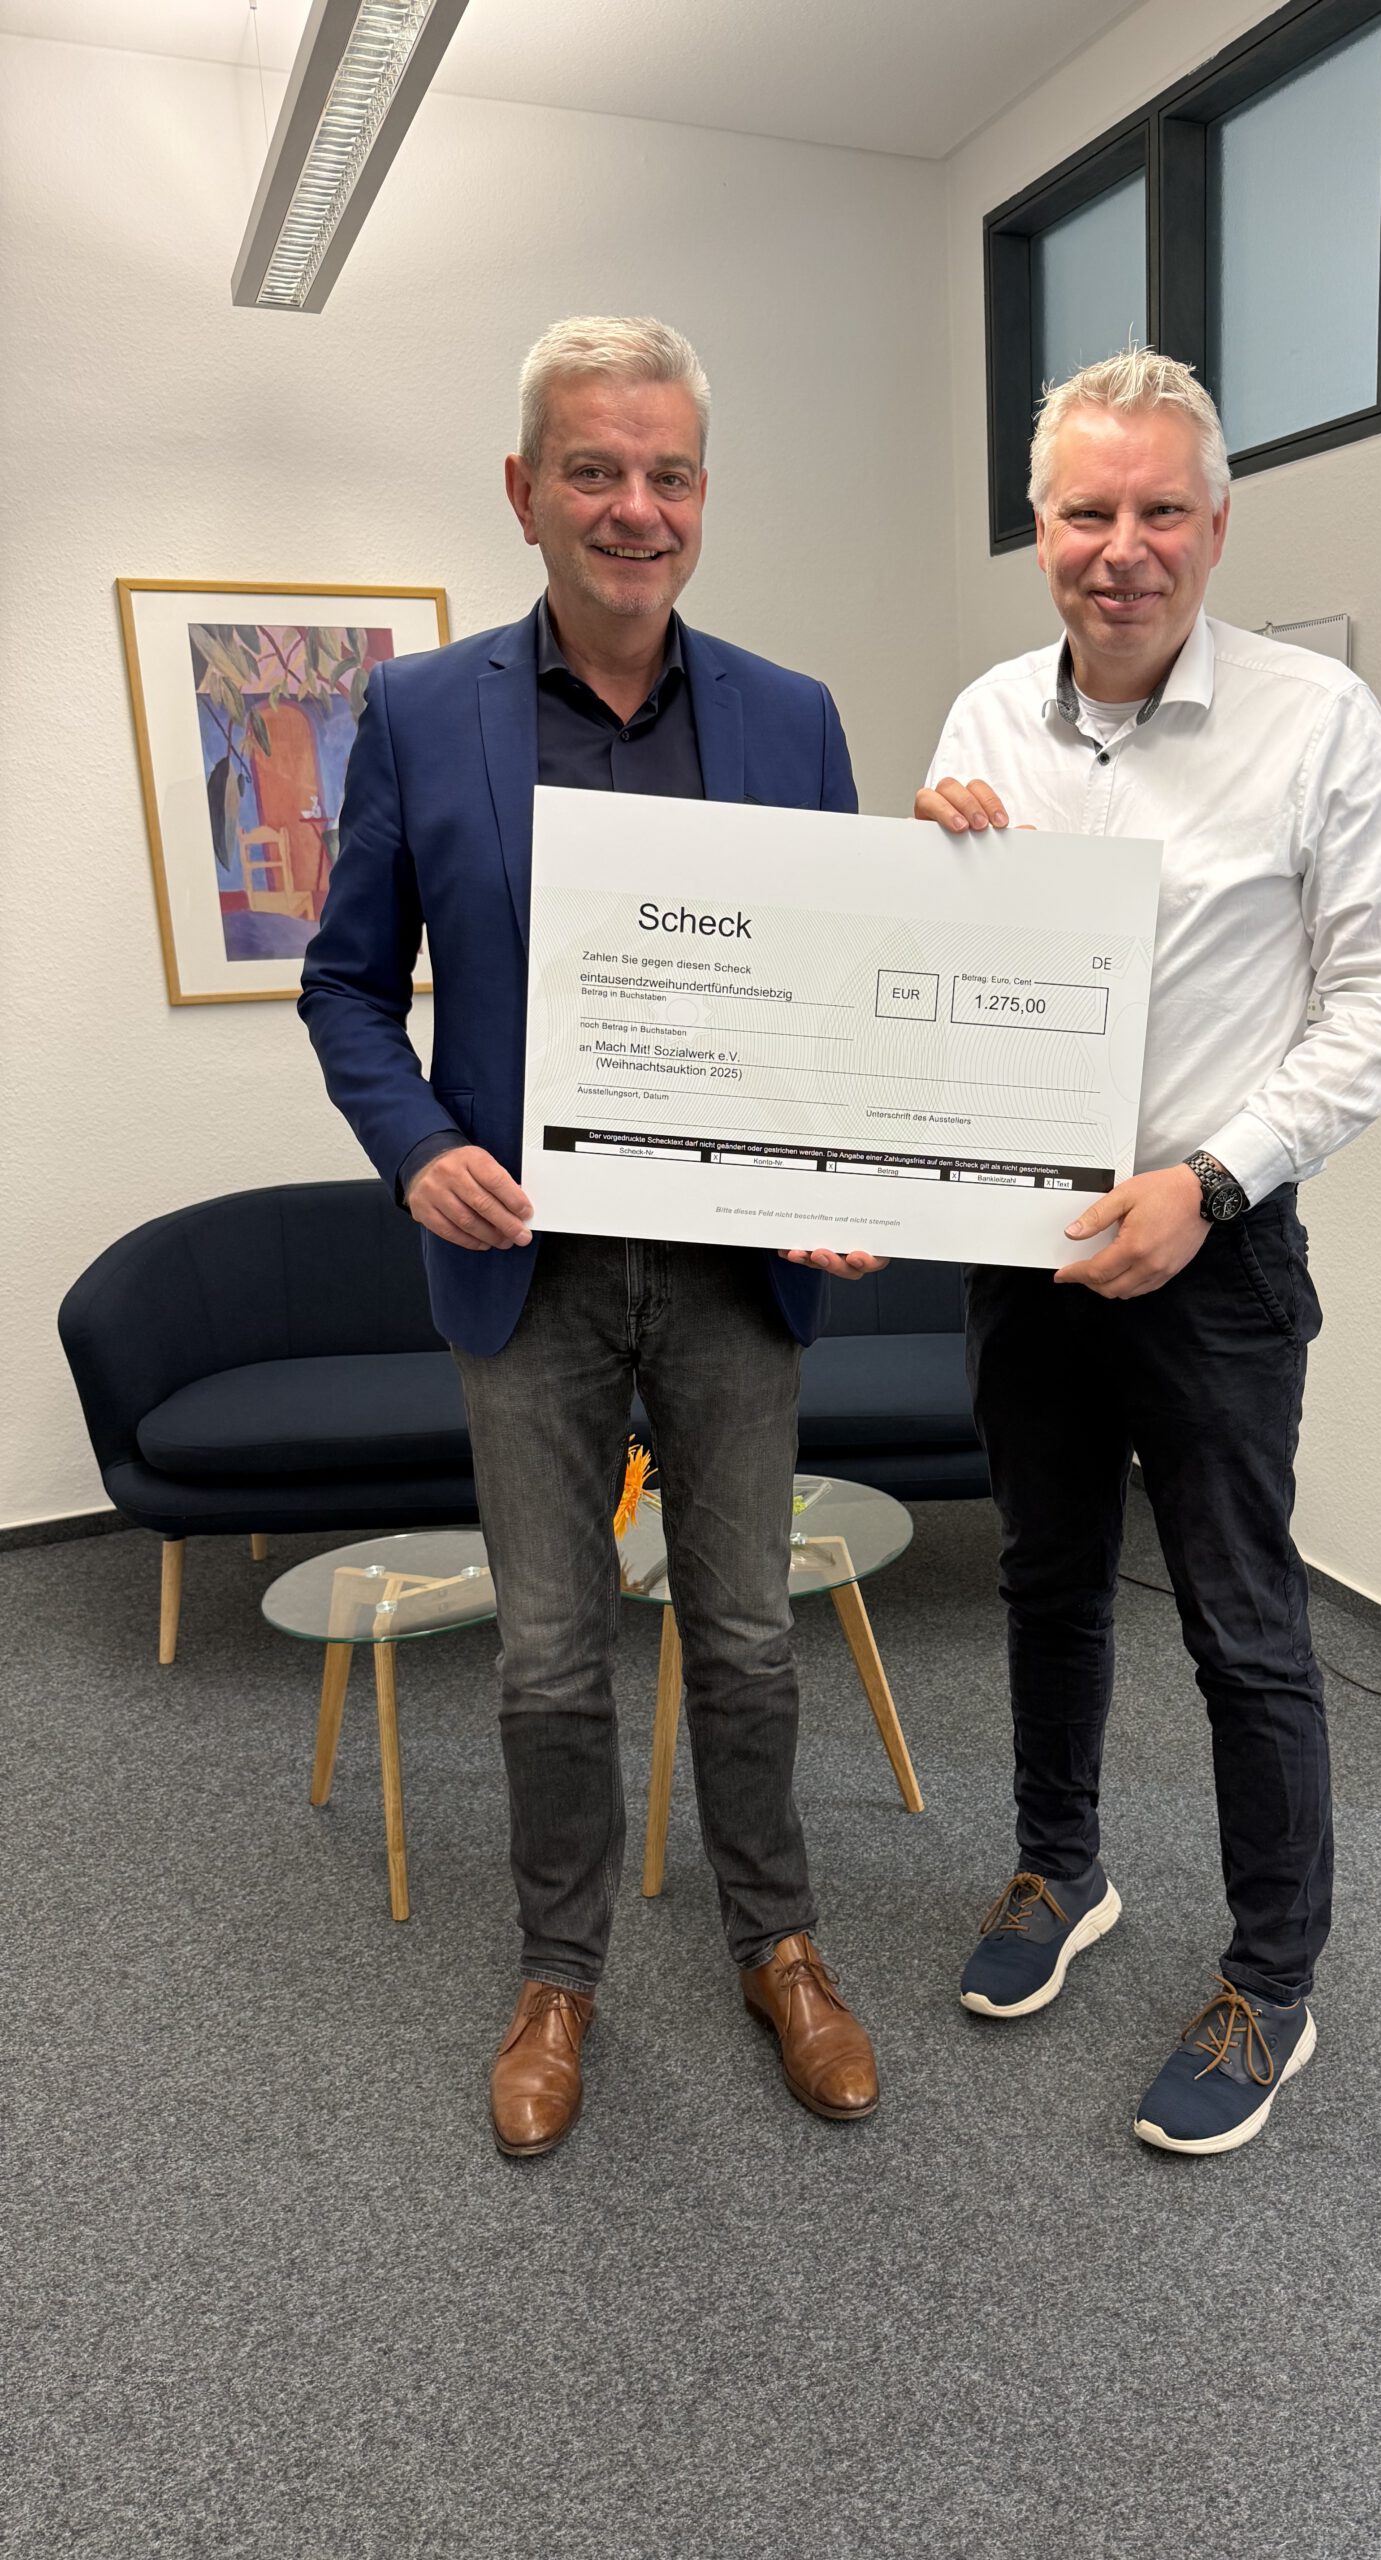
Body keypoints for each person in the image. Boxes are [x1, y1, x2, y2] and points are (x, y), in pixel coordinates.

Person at [301, 316, 883, 2157]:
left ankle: (779, 1944)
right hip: (526, 1268)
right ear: (525, 490)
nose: (636, 507)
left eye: (669, 474)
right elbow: (342, 986)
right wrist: (416, 1149)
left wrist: (851, 1170)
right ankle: (559, 1975)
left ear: (704, 496)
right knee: (549, 1656)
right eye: (596, 471)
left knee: (749, 1638)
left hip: (732, 1272)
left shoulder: (791, 717)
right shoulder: (422, 713)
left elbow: (843, 989)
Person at [915, 349, 1381, 2157]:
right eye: (1087, 511)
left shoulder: (1318, 722)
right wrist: (924, 880)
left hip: (1214, 1255)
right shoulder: (986, 718)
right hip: (1022, 1240)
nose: (1120, 547)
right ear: (1040, 531)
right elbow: (949, 985)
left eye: (1159, 511)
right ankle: (1060, 1869)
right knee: (1046, 1578)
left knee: (1241, 1624)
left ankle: (1272, 1981)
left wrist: (1210, 1182)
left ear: (1216, 528)